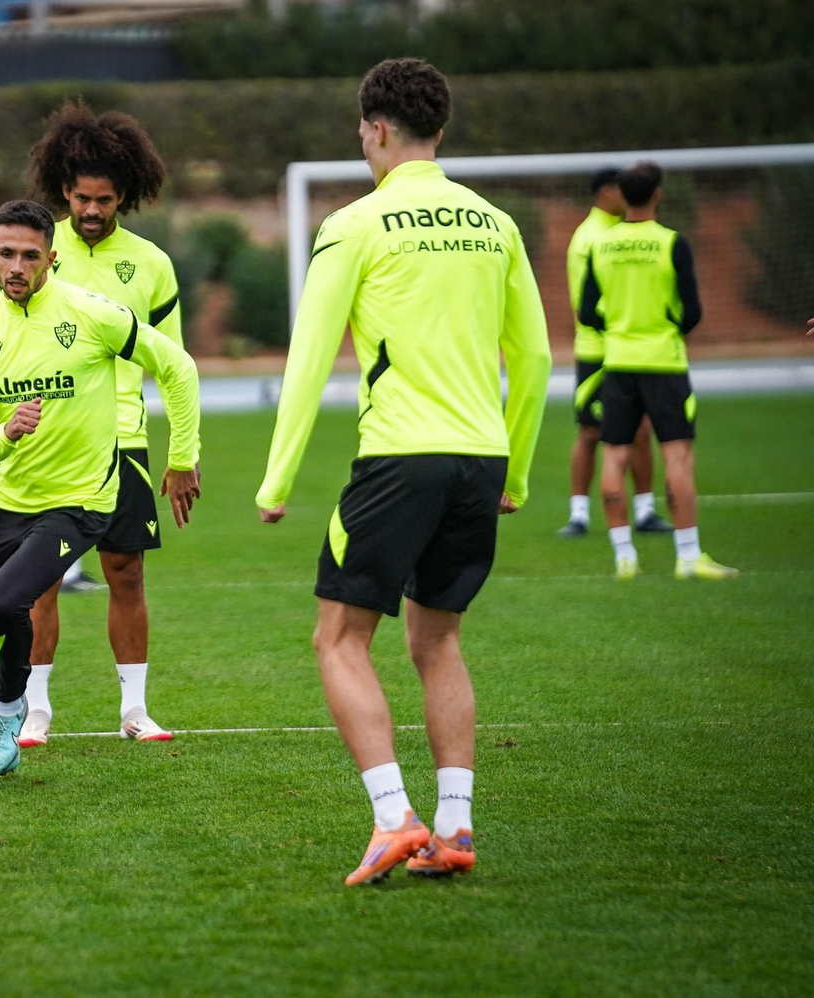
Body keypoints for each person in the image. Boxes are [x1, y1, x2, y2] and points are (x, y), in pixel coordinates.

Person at [255, 58, 552, 884]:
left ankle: (395, 818)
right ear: (440, 131)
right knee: (439, 637)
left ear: (375, 129)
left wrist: (275, 482)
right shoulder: (497, 225)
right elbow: (532, 358)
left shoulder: (354, 225)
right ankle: (454, 829)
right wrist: (515, 473)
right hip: (478, 458)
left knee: (339, 640)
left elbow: (308, 360)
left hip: (399, 457)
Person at [0, 199, 201, 785]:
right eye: (6, 254)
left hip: (81, 501)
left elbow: (178, 368)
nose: (17, 266)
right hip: (6, 503)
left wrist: (182, 456)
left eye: (31, 256)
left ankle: (11, 726)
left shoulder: (90, 314)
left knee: (7, 602)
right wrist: (5, 434)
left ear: (50, 260)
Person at [18, 99, 187, 747]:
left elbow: (175, 366)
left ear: (126, 197)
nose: (92, 210)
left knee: (127, 573)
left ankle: (135, 712)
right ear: (64, 190)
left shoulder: (150, 264)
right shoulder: (33, 250)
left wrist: (184, 452)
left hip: (125, 441)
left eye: (106, 200)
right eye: (83, 198)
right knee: (42, 579)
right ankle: (36, 711)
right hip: (49, 441)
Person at [579, 161, 736, 581]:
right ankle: (688, 557)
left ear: (622, 195)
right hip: (664, 363)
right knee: (678, 456)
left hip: (618, 363)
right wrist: (669, 329)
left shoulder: (602, 245)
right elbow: (694, 310)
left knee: (614, 454)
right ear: (658, 194)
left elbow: (587, 311)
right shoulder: (671, 243)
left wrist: (619, 329)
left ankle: (623, 556)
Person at [560, 169, 670, 538]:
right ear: (607, 191)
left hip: (629, 350)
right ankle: (578, 515)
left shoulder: (627, 234)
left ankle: (644, 511)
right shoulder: (588, 238)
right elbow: (584, 304)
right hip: (596, 351)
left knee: (640, 430)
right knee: (591, 432)